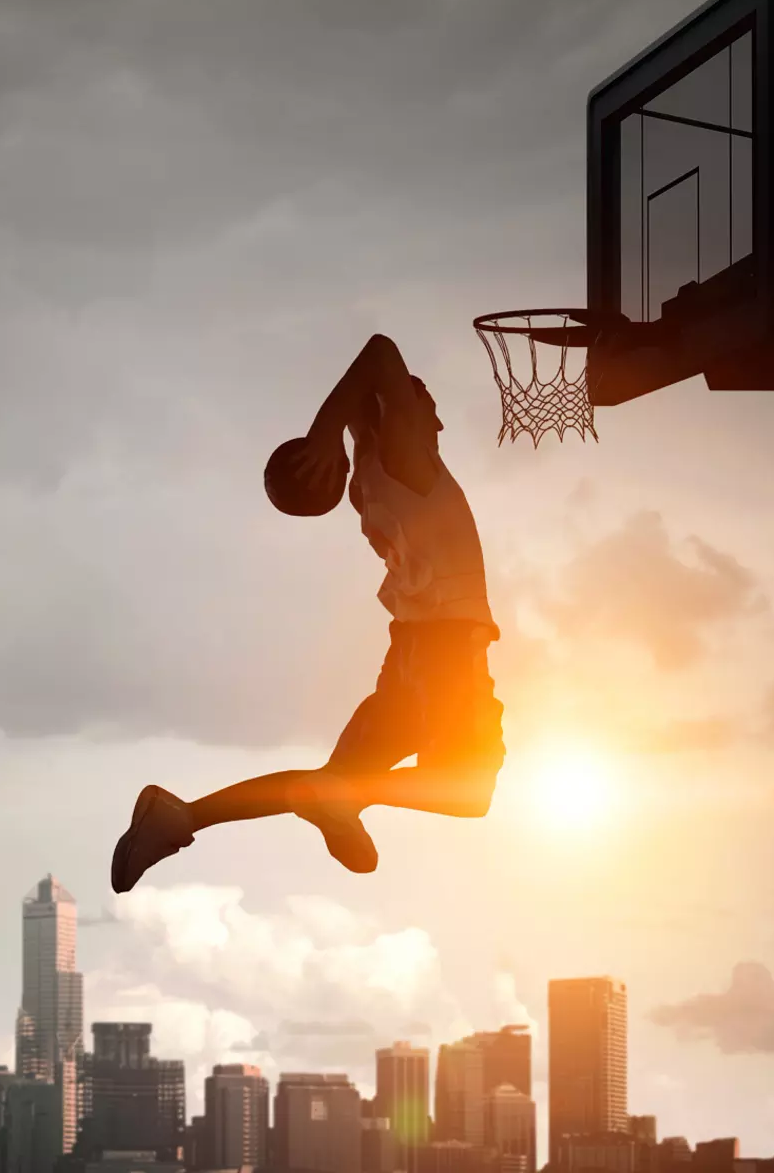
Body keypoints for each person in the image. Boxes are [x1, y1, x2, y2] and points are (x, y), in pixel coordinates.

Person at [110, 334, 505, 891]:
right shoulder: (404, 458)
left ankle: (183, 816)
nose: (435, 415)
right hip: (445, 651)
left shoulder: (371, 474)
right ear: (399, 416)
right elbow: (380, 353)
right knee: (468, 790)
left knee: (338, 780)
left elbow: (368, 398)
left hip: (413, 651)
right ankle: (341, 801)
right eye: (423, 402)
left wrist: (338, 435)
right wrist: (324, 435)